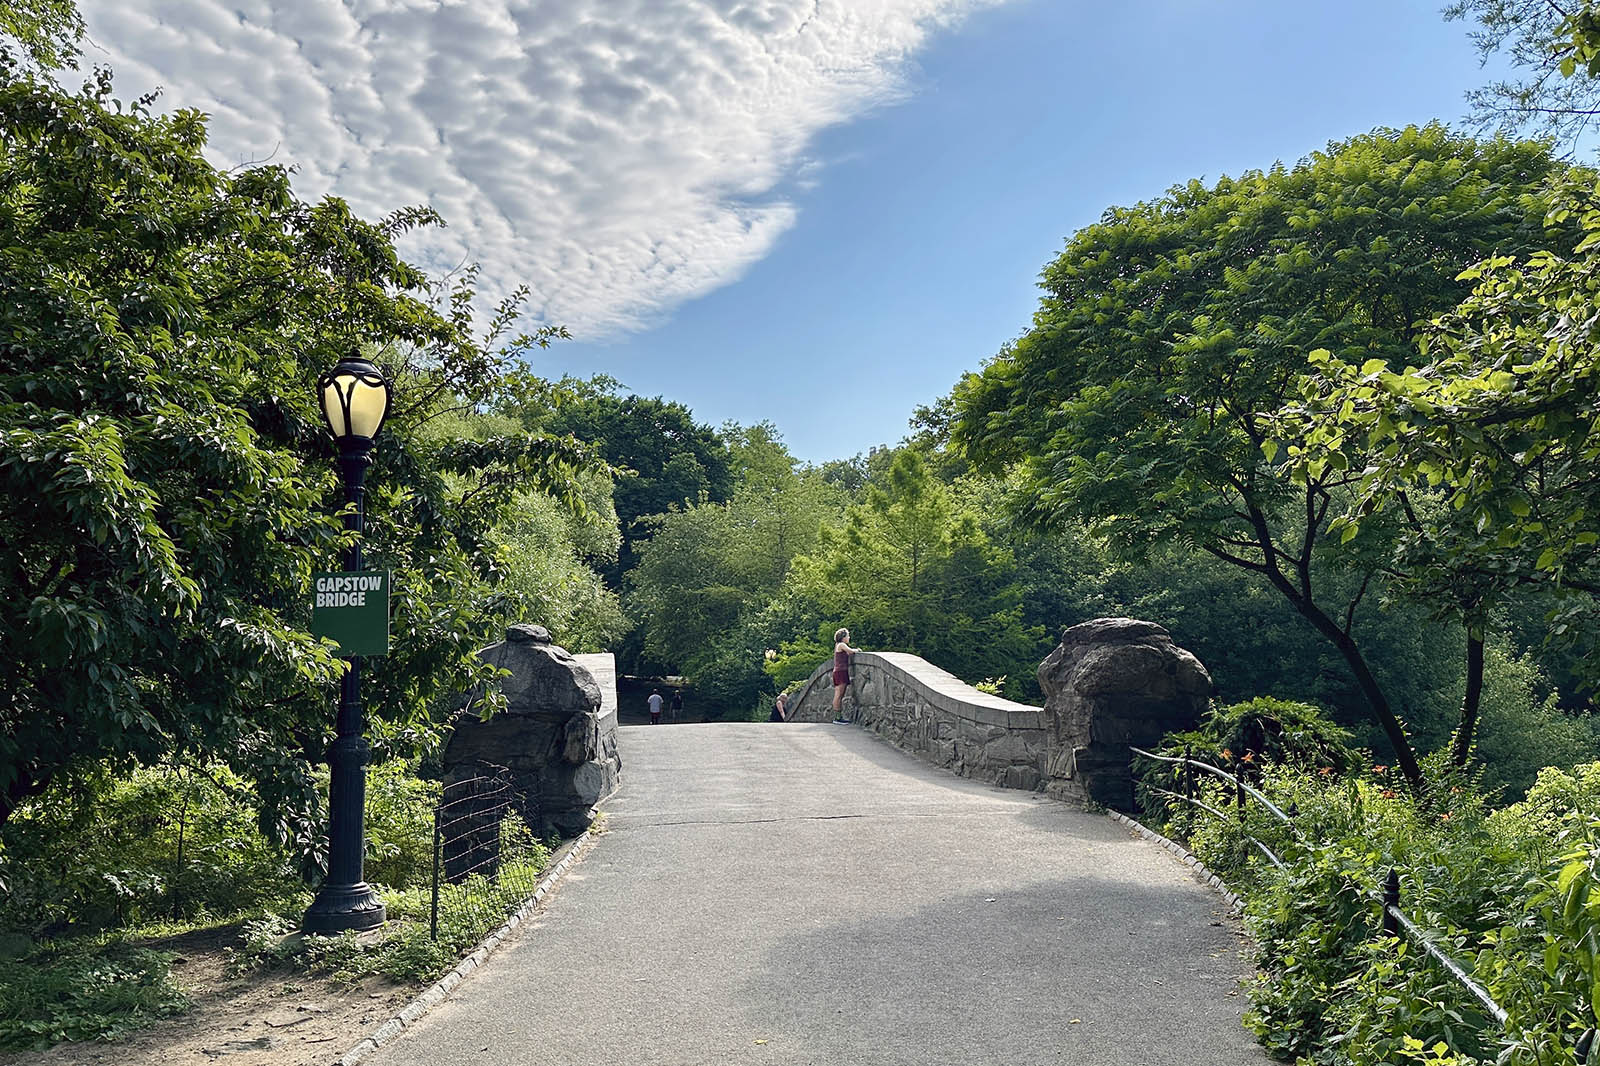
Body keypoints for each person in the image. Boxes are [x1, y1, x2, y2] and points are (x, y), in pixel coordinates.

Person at [831, 628, 859, 724]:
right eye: (847, 636)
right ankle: (837, 718)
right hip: (840, 671)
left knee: (839, 695)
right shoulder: (842, 645)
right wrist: (857, 650)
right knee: (839, 695)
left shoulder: (838, 645)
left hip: (839, 671)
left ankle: (837, 717)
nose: (849, 637)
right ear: (843, 637)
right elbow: (850, 651)